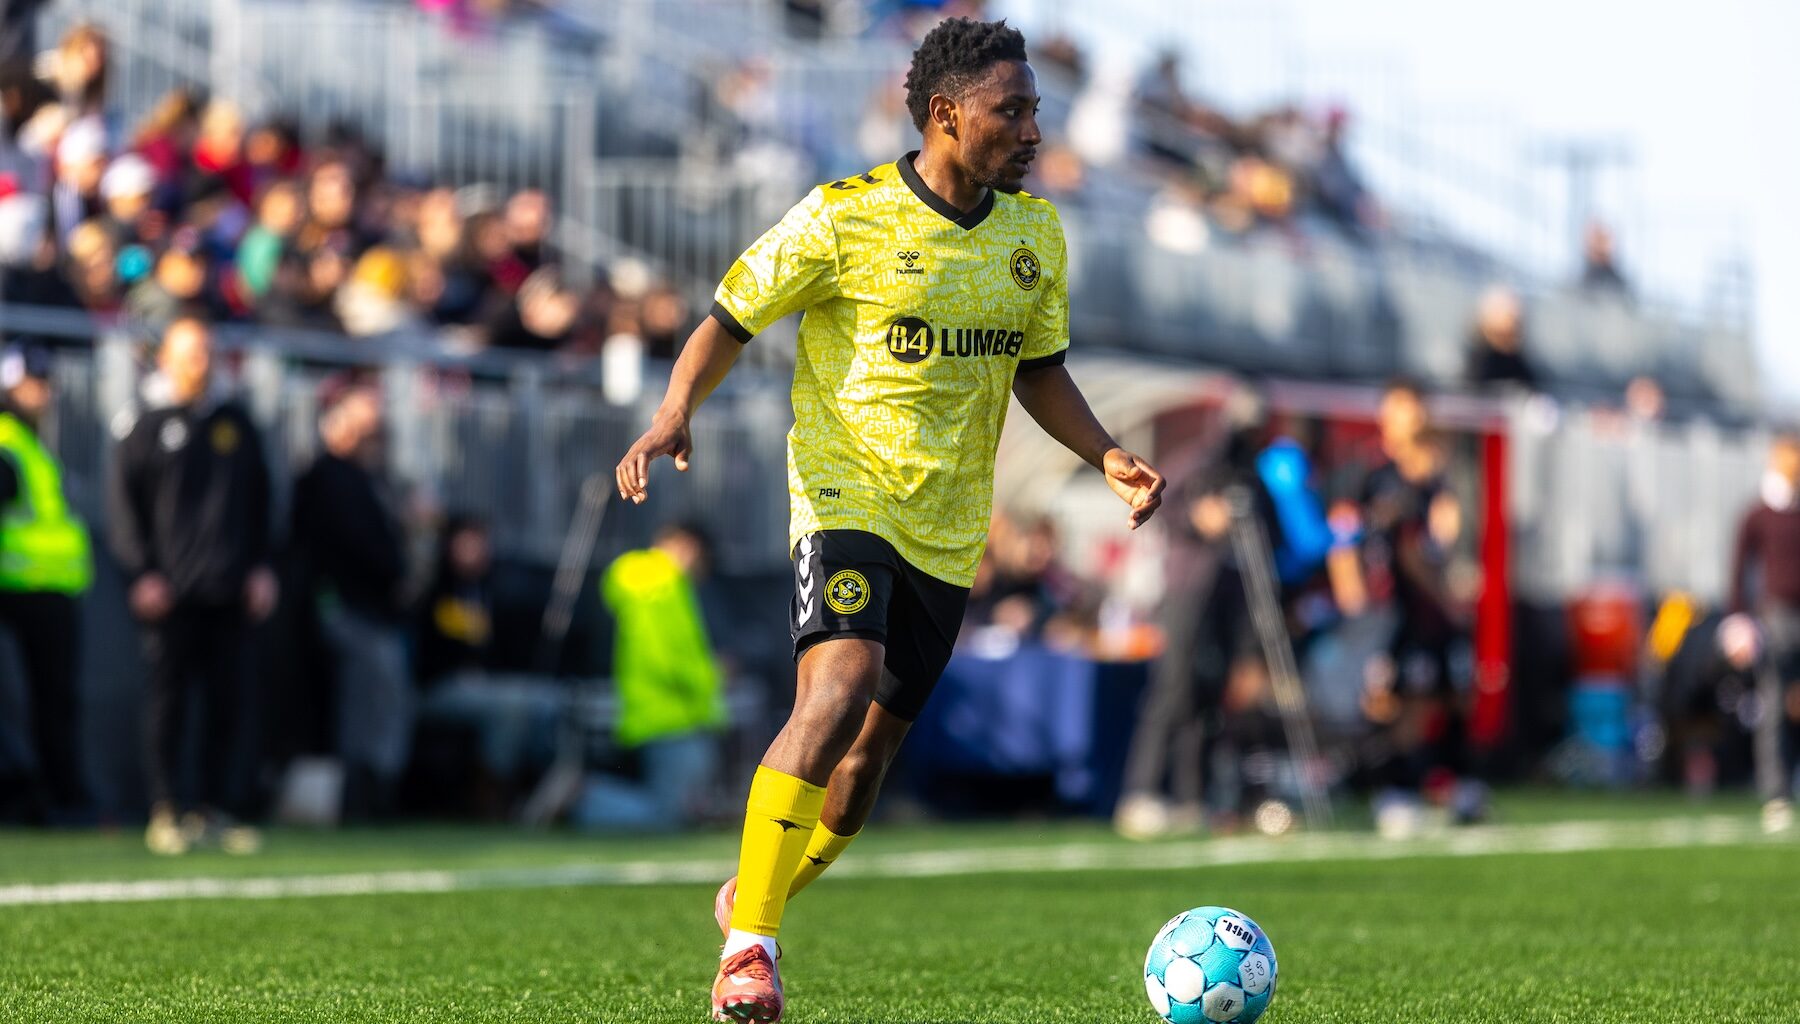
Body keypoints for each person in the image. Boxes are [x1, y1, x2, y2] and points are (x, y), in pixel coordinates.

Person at [614, 18, 1166, 1021]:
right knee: (836, 688)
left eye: (1036, 108)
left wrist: (1106, 453)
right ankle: (749, 953)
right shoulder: (843, 217)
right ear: (946, 114)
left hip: (949, 525)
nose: (1033, 129)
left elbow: (1040, 372)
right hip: (845, 490)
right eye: (1013, 110)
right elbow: (729, 318)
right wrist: (673, 410)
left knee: (863, 769)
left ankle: (756, 894)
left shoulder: (1035, 236)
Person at [109, 317, 276, 855]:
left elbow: (260, 502)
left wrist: (260, 567)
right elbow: (123, 508)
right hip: (171, 594)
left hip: (228, 590)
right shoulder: (144, 425)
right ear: (166, 359)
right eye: (190, 352)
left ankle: (212, 810)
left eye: (206, 352)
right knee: (168, 706)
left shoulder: (236, 424)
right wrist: (141, 572)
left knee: (228, 705)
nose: (200, 363)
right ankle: (165, 810)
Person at [290, 381, 411, 821]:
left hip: (371, 610)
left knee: (379, 701)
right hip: (348, 608)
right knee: (366, 703)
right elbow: (355, 546)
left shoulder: (369, 479)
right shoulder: (328, 478)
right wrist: (392, 571)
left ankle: (376, 792)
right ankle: (361, 796)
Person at [574, 522, 728, 830]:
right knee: (669, 816)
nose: (700, 572)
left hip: (664, 716)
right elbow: (664, 657)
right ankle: (587, 798)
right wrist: (711, 678)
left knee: (678, 812)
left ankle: (589, 796)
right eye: (703, 562)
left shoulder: (651, 582)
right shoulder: (660, 584)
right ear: (689, 547)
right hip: (671, 717)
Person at [0, 342, 93, 824]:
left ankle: (58, 798)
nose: (43, 392)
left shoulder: (28, 443)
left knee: (53, 701)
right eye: (32, 382)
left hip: (48, 589)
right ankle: (42, 797)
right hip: (20, 589)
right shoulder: (7, 443)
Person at [1723, 432, 1800, 833]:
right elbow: (1739, 571)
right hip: (1777, 618)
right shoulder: (1757, 514)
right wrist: (1739, 621)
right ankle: (1776, 793)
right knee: (1774, 705)